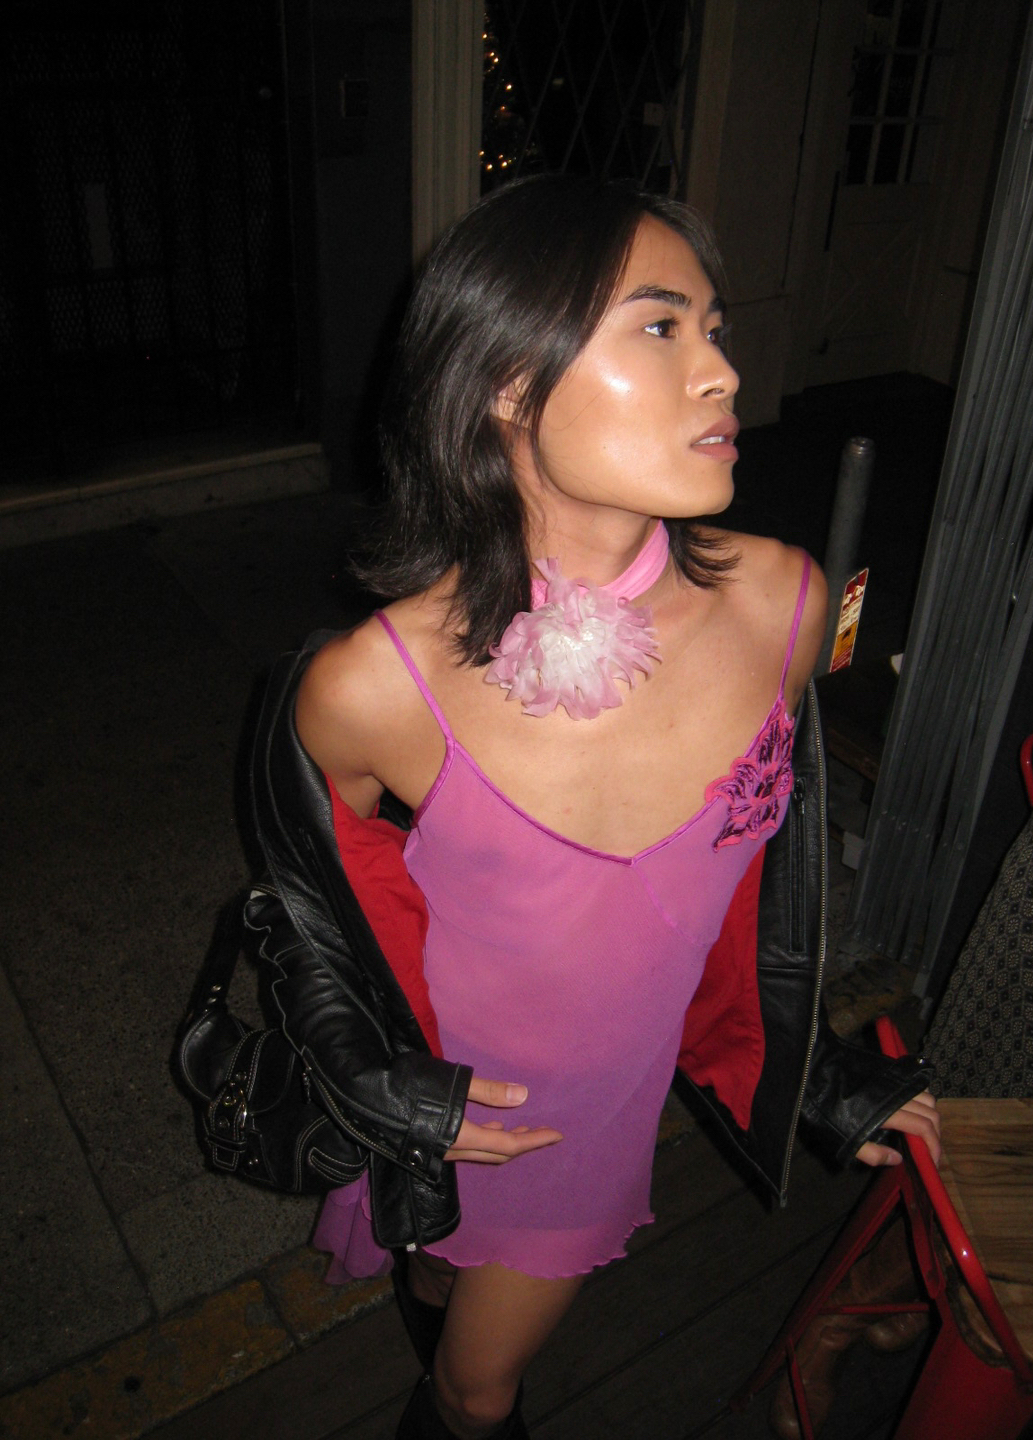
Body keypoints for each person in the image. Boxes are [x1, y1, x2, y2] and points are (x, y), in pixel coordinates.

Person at [265, 176, 940, 1440]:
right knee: (443, 1281)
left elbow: (747, 894)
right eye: (660, 326)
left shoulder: (787, 608)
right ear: (507, 384)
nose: (723, 371)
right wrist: (381, 1076)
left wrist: (809, 1065)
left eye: (715, 329)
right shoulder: (370, 687)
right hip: (451, 1089)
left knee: (477, 1388)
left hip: (584, 1114)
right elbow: (314, 899)